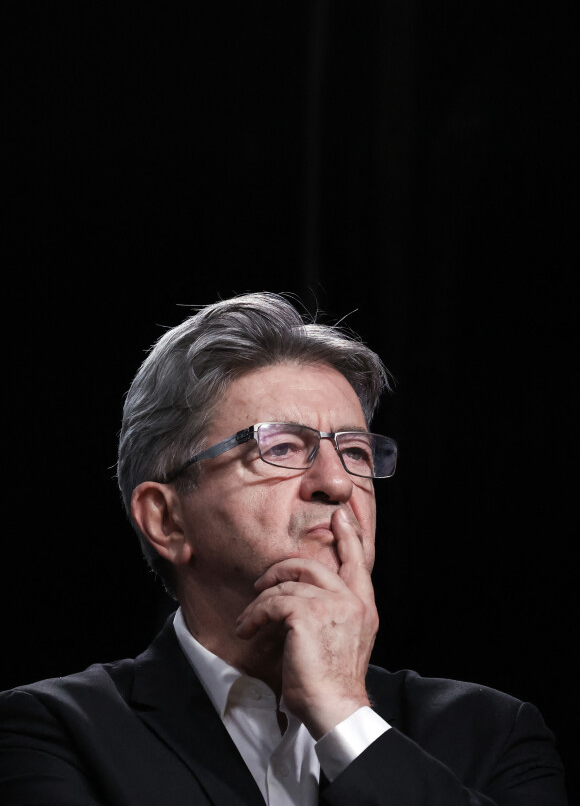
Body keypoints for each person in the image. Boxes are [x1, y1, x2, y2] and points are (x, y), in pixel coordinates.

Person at [0, 292, 567, 805]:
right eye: (282, 447)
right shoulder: (50, 735)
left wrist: (345, 715)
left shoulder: (494, 734)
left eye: (356, 452)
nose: (338, 483)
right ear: (166, 519)